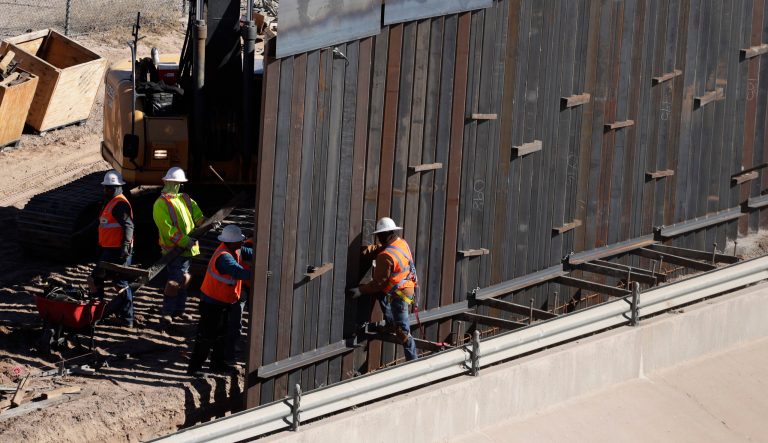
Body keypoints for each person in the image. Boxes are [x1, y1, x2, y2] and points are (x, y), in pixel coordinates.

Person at [187, 225, 253, 375]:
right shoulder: (224, 257)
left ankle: (217, 365)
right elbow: (238, 272)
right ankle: (194, 369)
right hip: (212, 304)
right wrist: (260, 271)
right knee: (206, 337)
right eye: (238, 241)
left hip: (223, 302)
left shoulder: (233, 249)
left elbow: (250, 253)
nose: (241, 243)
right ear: (232, 242)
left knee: (221, 336)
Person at [350, 217, 418, 361]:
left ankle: (413, 361)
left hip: (399, 294)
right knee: (382, 294)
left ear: (385, 234)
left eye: (379, 236)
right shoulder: (401, 243)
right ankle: (390, 324)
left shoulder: (385, 256)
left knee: (403, 331)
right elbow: (381, 249)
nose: (378, 238)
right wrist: (365, 251)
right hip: (407, 286)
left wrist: (360, 291)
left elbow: (378, 283)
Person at [152, 166, 204, 325]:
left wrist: (207, 223)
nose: (176, 185)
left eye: (178, 183)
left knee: (184, 280)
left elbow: (198, 216)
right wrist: (184, 241)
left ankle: (179, 310)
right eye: (174, 182)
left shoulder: (186, 199)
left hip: (186, 250)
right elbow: (168, 229)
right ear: (167, 182)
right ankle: (167, 313)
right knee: (174, 281)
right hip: (173, 251)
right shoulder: (161, 204)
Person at [89, 170, 135, 328]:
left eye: (110, 188)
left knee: (120, 284)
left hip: (118, 251)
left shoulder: (119, 203)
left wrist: (125, 246)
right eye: (106, 187)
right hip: (109, 249)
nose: (107, 190)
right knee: (96, 279)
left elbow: (128, 225)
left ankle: (126, 318)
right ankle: (98, 311)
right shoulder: (110, 201)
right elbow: (103, 223)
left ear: (118, 187)